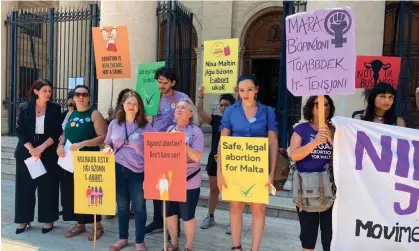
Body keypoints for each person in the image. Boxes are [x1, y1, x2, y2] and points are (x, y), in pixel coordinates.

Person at [217, 74, 279, 251]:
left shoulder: (267, 111)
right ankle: (236, 247)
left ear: (256, 89)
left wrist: (271, 172)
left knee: (258, 209)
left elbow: (273, 142)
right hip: (234, 166)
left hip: (258, 167)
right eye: (241, 90)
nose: (245, 94)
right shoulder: (230, 111)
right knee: (235, 206)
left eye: (249, 89)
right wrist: (220, 172)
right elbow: (223, 141)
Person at [57, 85, 108, 241]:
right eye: (77, 94)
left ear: (89, 97)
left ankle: (97, 226)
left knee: (91, 193)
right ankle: (80, 224)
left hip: (89, 160)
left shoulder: (94, 114)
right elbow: (65, 133)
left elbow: (103, 137)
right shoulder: (71, 113)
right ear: (73, 97)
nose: (80, 97)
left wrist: (83, 144)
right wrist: (60, 145)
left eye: (84, 94)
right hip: (70, 161)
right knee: (73, 193)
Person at [104, 90, 153, 251]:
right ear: (123, 105)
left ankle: (140, 241)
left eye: (134, 103)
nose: (131, 106)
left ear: (139, 107)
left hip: (138, 171)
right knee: (123, 206)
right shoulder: (114, 124)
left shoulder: (146, 127)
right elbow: (108, 144)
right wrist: (107, 149)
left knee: (139, 207)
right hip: (118, 168)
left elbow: (153, 151)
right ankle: (122, 238)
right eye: (128, 103)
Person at [145, 67, 191, 237]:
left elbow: (192, 119)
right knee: (157, 187)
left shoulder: (182, 98)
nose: (161, 86)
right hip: (155, 147)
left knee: (173, 188)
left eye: (165, 82)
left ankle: (174, 225)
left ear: (173, 83)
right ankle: (158, 220)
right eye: (159, 82)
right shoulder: (152, 96)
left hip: (175, 148)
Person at [14, 79, 62, 234]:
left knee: (48, 187)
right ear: (36, 91)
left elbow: (56, 132)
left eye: (49, 91)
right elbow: (19, 130)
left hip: (47, 151)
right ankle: (23, 219)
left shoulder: (55, 109)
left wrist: (41, 148)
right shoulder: (24, 107)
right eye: (44, 91)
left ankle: (48, 220)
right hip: (27, 151)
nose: (48, 94)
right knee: (24, 187)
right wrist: (32, 149)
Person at [289, 95, 335, 251]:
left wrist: (332, 140)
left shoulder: (335, 129)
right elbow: (294, 155)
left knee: (330, 236)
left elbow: (346, 156)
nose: (325, 107)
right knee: (308, 237)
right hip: (307, 188)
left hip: (331, 189)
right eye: (320, 104)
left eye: (327, 104)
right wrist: (315, 142)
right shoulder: (301, 129)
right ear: (311, 107)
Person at [165, 99, 204, 251]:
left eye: (183, 107)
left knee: (187, 215)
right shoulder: (169, 130)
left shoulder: (196, 132)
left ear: (191, 113)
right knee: (170, 213)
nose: (179, 109)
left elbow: (197, 157)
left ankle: (189, 246)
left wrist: (182, 144)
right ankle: (174, 243)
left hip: (189, 180)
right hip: (170, 180)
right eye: (177, 107)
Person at [197, 85, 236, 234]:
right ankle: (210, 216)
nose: (223, 107)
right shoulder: (216, 119)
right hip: (214, 160)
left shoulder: (238, 121)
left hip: (232, 160)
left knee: (232, 193)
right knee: (214, 189)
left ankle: (233, 222)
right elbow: (200, 114)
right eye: (221, 105)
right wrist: (201, 95)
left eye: (227, 105)